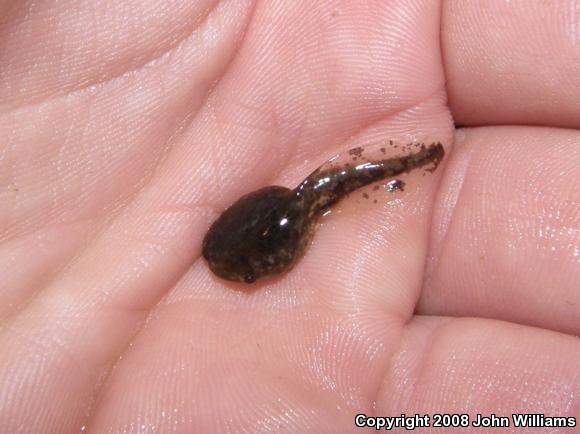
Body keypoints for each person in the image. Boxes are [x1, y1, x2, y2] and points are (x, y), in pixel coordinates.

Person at [0, 1, 578, 432]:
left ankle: (420, 160)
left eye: (248, 275)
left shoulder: (286, 218)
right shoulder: (263, 230)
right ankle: (418, 161)